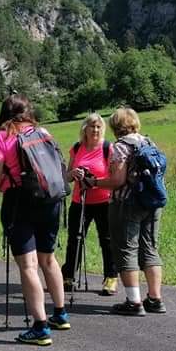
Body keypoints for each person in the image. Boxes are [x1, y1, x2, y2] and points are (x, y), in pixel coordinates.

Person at [0, 93, 69, 346]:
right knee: (49, 258)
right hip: (50, 200)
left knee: (28, 265)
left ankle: (40, 326)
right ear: (28, 111)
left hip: (19, 202)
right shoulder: (43, 132)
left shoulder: (2, 137)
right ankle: (60, 313)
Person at [86, 107, 167, 316]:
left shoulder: (121, 147)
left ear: (115, 126)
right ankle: (155, 298)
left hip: (127, 203)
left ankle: (134, 301)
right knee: (150, 248)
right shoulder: (149, 142)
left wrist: (94, 182)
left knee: (125, 249)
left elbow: (117, 180)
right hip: (152, 201)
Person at [62, 113, 118, 295]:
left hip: (104, 201)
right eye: (92, 126)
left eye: (98, 127)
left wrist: (95, 181)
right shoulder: (77, 148)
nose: (95, 130)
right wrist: (74, 174)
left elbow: (114, 176)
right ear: (84, 129)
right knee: (75, 240)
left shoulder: (108, 148)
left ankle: (111, 278)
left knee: (107, 240)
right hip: (80, 201)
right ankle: (68, 276)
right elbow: (67, 177)